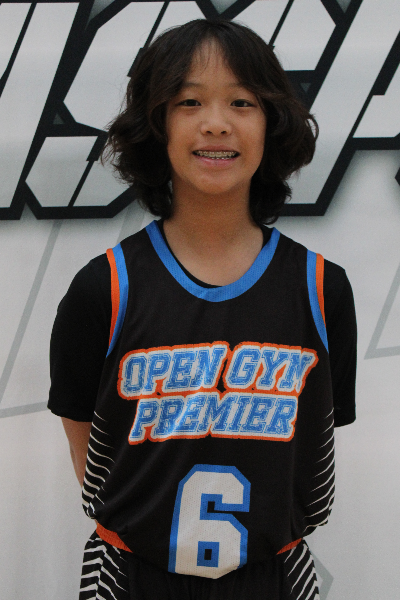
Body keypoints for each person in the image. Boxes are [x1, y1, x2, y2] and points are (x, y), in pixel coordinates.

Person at [48, 18, 356, 600]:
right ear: (156, 124)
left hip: (276, 576)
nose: (216, 122)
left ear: (272, 122)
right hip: (129, 576)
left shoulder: (321, 290)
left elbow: (315, 447)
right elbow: (85, 439)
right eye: (189, 101)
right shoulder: (103, 288)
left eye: (242, 101)